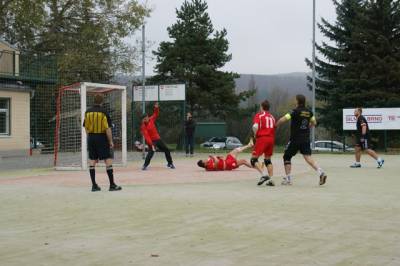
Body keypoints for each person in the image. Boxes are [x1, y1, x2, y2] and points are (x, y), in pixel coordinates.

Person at [275, 94, 327, 186]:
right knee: (308, 157)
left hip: (295, 139)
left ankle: (288, 179)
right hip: (305, 139)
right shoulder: (309, 112)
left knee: (286, 156)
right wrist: (308, 126)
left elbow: (284, 119)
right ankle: (321, 172)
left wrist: (275, 125)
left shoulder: (294, 111)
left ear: (297, 101)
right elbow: (314, 122)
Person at [83, 94, 122, 192]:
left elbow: (86, 127)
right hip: (102, 137)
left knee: (92, 160)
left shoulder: (87, 112)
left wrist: (90, 137)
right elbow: (107, 128)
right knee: (108, 159)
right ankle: (112, 185)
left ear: (94, 101)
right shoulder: (104, 112)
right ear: (102, 102)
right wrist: (110, 141)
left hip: (91, 137)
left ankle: (94, 185)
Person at [141, 102, 175, 170]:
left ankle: (170, 163)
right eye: (144, 119)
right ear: (143, 120)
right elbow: (147, 137)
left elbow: (156, 114)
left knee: (166, 150)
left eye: (146, 118)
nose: (146, 119)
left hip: (158, 139)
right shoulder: (143, 126)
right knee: (151, 152)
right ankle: (145, 165)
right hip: (151, 141)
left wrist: (156, 107)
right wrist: (152, 145)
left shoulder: (151, 119)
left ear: (148, 117)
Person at [250, 100, 276, 186]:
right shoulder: (272, 117)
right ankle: (271, 180)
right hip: (271, 139)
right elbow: (274, 127)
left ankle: (264, 175)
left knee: (253, 159)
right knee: (268, 160)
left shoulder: (259, 115)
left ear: (261, 107)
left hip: (262, 138)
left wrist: (255, 134)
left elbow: (255, 126)